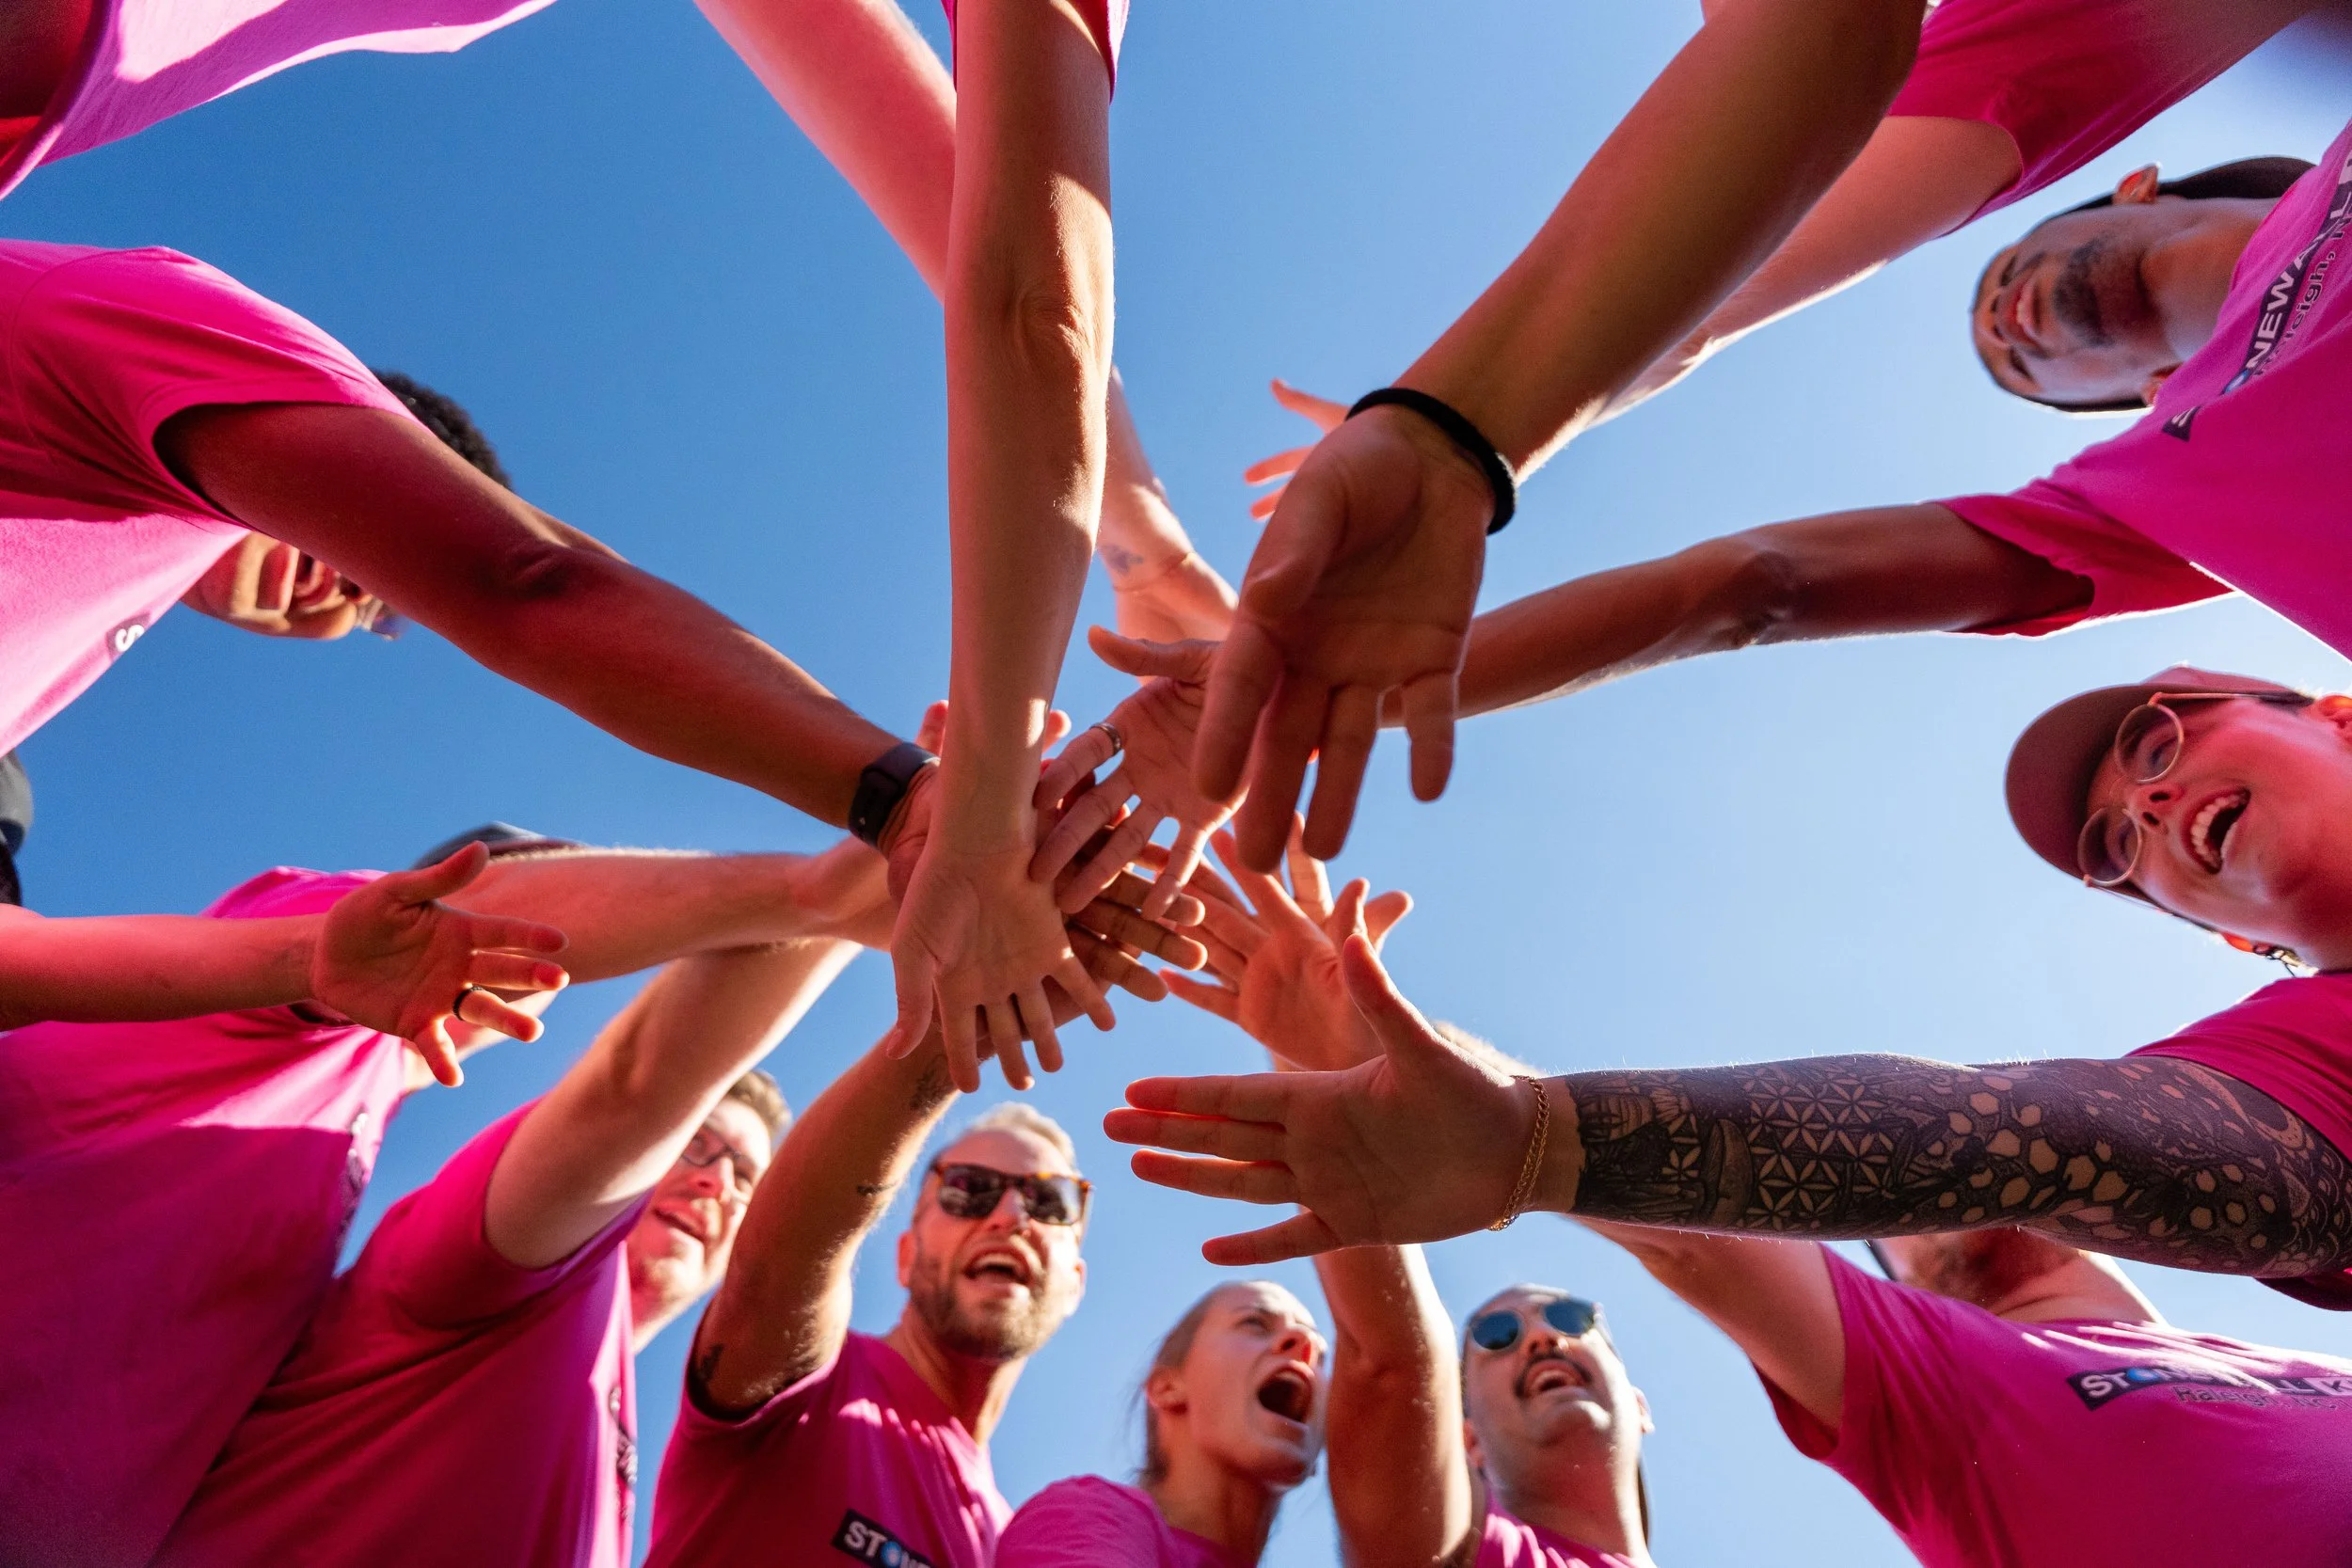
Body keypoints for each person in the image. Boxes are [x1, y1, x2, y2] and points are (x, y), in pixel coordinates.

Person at [1194, 0, 2327, 869]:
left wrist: (1485, 401)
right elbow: (1744, 587)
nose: (2009, 326)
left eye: (2010, 274)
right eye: (2031, 370)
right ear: (2145, 395)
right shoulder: (2146, 500)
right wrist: (1319, 690)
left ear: (2124, 183)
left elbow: (1831, 130)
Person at [1105, 666, 2352, 1306]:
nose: (2143, 808)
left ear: (2333, 710)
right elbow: (2050, 1136)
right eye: (2115, 854)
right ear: (2233, 944)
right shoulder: (2299, 1053)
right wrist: (1535, 1139)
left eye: (2161, 738)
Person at [0, 821, 971, 1566]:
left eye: (745, 1172)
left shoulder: (333, 1148)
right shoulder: (308, 975)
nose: (715, 1179)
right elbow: (635, 1083)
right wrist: (882, 869)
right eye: (700, 1147)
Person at [1161, 830, 1655, 1568]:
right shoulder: (1470, 1551)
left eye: (1569, 1315)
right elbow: (1390, 1362)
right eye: (1492, 1335)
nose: (1540, 1337)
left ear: (1641, 1402)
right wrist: (1322, 1061)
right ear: (1463, 1440)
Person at [1590, 1220, 2352, 1566]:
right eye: (1906, 1191)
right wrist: (1506, 1122)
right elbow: (1684, 1226)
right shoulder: (1933, 1369)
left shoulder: (2311, 1353)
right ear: (1900, 1280)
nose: (1954, 1170)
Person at [644, 1080, 1103, 1567]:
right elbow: (791, 1247)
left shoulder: (1010, 1548)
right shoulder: (802, 1384)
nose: (1010, 1216)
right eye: (969, 1189)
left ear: (1075, 1283)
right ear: (905, 1257)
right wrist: (940, 1052)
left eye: (1050, 1201)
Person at [995, 1279, 1327, 1568]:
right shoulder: (1086, 1518)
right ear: (1166, 1388)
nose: (1304, 1344)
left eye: (1323, 1356)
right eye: (1255, 1323)